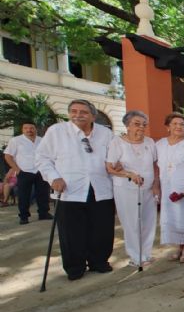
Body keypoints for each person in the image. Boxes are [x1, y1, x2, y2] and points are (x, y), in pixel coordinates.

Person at [35, 99, 115, 281]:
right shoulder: (57, 131)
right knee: (71, 231)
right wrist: (53, 177)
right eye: (74, 111)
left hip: (100, 188)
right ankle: (75, 266)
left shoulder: (106, 133)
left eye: (83, 112)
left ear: (93, 116)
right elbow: (41, 158)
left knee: (101, 228)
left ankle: (99, 261)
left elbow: (113, 158)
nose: (78, 115)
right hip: (70, 189)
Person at [105, 111, 159, 267]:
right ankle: (136, 256)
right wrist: (129, 174)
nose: (141, 127)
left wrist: (156, 186)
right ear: (127, 125)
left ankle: (146, 253)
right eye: (137, 124)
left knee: (149, 221)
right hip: (126, 189)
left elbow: (155, 165)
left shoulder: (149, 142)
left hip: (148, 188)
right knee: (132, 223)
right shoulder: (117, 142)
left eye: (144, 124)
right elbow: (110, 168)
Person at [156, 113, 184, 263]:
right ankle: (179, 247)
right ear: (168, 127)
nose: (179, 127)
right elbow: (153, 166)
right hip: (167, 187)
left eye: (182, 124)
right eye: (175, 124)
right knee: (172, 217)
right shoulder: (160, 144)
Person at [4, 122, 51, 224]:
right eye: (26, 128)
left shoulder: (42, 140)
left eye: (31, 128)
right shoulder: (16, 140)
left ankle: (43, 213)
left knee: (43, 193)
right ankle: (24, 216)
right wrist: (16, 169)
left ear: (35, 129)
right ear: (22, 129)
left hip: (40, 171)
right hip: (24, 171)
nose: (29, 130)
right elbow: (8, 156)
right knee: (24, 195)